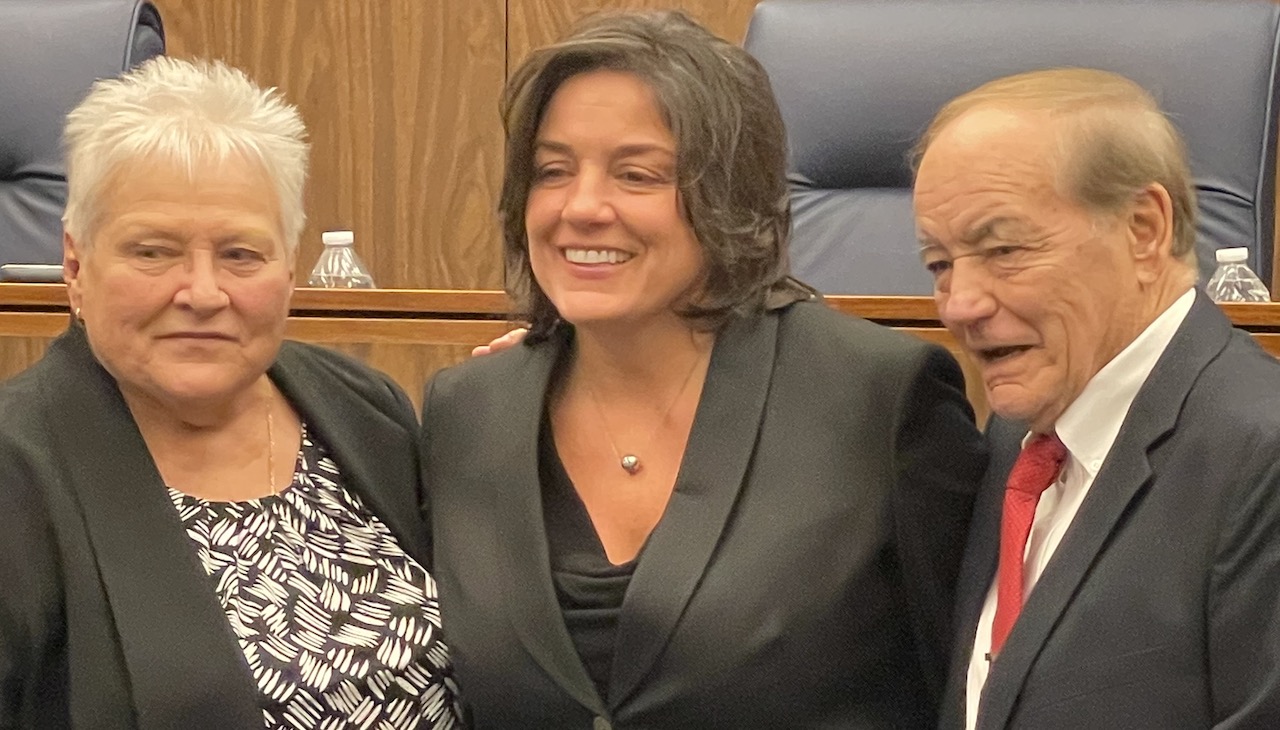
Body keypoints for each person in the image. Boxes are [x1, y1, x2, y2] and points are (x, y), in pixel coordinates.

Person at [420, 10, 988, 729]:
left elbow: (968, 688)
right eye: (551, 171)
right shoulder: (466, 411)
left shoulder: (878, 399)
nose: (582, 207)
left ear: (728, 194)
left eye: (637, 174)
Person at [0, 57, 462, 728]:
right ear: (75, 265)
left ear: (290, 271)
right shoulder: (17, 468)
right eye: (154, 252)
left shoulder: (364, 407)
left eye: (241, 255)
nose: (203, 293)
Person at [912, 68, 1280, 729]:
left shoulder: (1259, 459)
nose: (959, 304)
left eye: (1003, 250)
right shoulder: (1019, 433)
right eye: (940, 263)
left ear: (1142, 229)